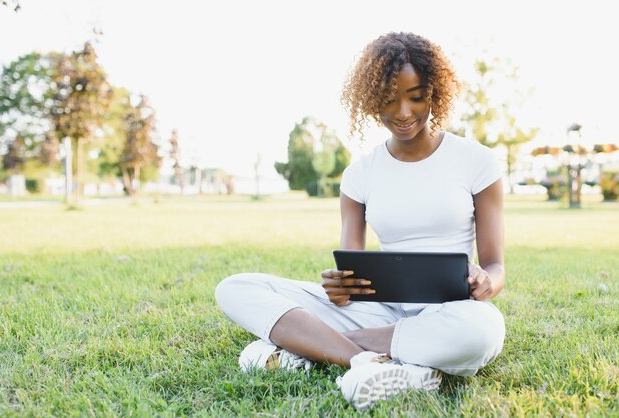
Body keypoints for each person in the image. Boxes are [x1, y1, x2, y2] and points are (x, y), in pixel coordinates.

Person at [215, 31, 506, 410]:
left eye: (416, 97)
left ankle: (314, 348)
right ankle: (371, 362)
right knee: (235, 287)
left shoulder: (477, 161)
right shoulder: (360, 174)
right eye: (388, 100)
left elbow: (496, 265)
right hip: (380, 308)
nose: (403, 113)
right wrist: (339, 287)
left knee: (484, 331)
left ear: (434, 92)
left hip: (449, 309)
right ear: (370, 101)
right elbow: (350, 270)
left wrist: (487, 281)